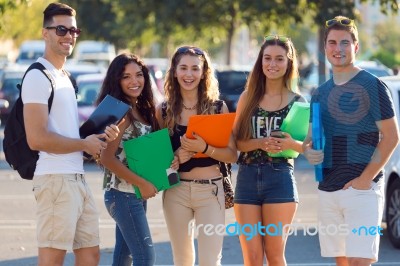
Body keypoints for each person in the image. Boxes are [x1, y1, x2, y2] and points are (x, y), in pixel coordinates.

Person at [22, 3, 120, 266]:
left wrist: (97, 137)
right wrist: (83, 144)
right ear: (45, 33)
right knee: (52, 260)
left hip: (76, 177)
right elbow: (37, 138)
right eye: (61, 29)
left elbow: (65, 132)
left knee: (90, 255)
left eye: (74, 30)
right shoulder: (38, 76)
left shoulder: (64, 76)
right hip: (54, 180)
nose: (69, 36)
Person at [303, 16, 399, 266]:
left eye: (345, 42)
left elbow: (391, 137)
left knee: (360, 262)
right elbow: (311, 140)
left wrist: (365, 179)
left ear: (356, 47)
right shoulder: (320, 92)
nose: (338, 49)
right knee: (343, 262)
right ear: (325, 48)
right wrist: (308, 151)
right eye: (332, 43)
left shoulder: (372, 85)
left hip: (362, 192)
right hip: (329, 190)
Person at [155, 46, 237, 266]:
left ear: (204, 73)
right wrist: (173, 157)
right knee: (182, 260)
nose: (188, 74)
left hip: (211, 190)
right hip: (176, 191)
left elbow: (232, 155)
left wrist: (204, 148)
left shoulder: (218, 108)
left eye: (195, 68)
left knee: (210, 261)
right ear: (174, 71)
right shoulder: (163, 110)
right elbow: (158, 161)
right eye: (183, 68)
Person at [98, 53, 178, 266]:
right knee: (145, 257)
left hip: (132, 195)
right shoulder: (121, 112)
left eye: (139, 75)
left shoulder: (141, 108)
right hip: (122, 195)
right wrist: (142, 183)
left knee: (124, 258)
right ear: (117, 80)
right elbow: (106, 158)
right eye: (126, 77)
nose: (134, 81)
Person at [233, 35, 306, 266]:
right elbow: (237, 142)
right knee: (252, 258)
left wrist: (290, 144)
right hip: (247, 177)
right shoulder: (248, 98)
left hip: (280, 177)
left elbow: (307, 147)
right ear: (260, 61)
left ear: (288, 63)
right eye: (267, 58)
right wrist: (259, 143)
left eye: (279, 59)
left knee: (274, 255)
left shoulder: (298, 101)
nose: (272, 64)